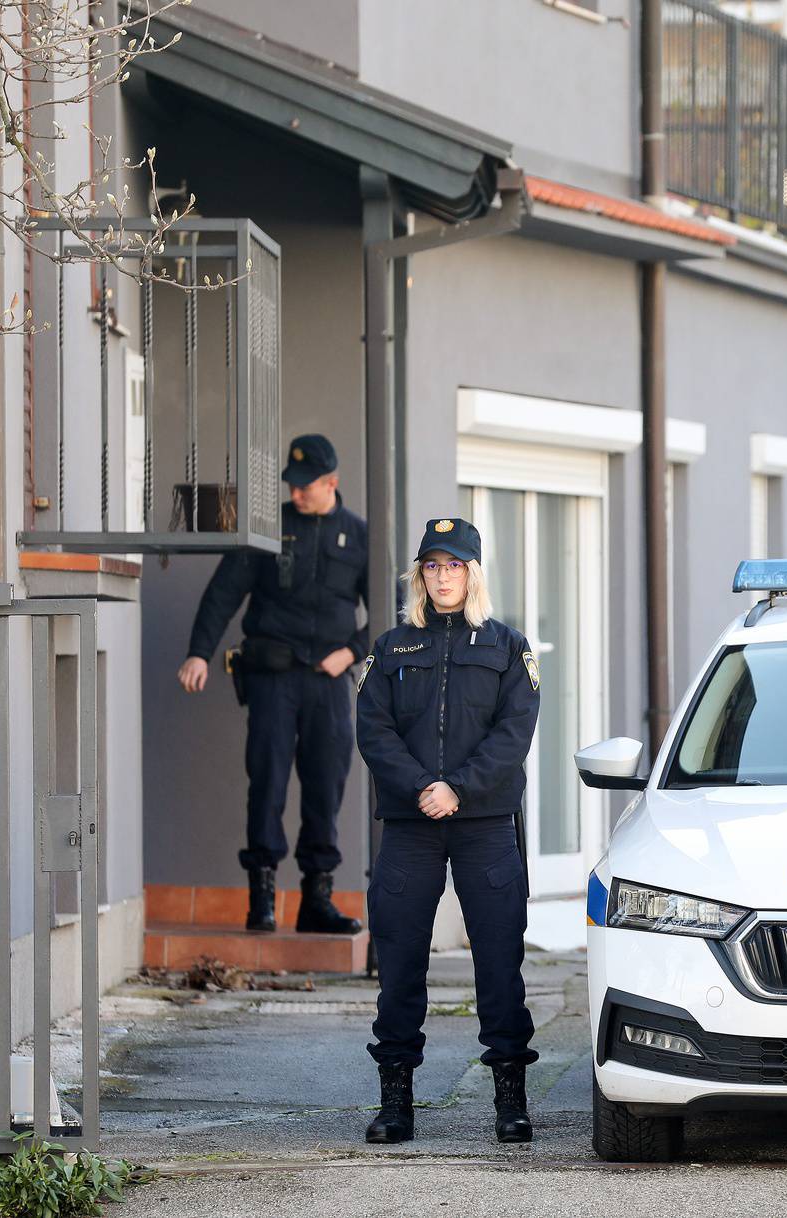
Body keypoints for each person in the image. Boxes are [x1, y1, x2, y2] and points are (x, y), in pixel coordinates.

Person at [355, 516, 542, 1145]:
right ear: (420, 575)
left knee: (498, 962)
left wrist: (457, 788)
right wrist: (420, 790)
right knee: (401, 962)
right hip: (411, 827)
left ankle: (510, 1101)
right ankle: (395, 1101)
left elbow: (514, 735)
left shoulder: (509, 648)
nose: (442, 577)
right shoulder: (391, 648)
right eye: (432, 566)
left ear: (474, 574)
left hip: (484, 826)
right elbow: (373, 730)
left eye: (454, 566)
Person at [178, 434, 367, 938]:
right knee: (268, 783)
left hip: (328, 684)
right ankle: (261, 898)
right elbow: (223, 593)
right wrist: (199, 651)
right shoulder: (269, 528)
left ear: (332, 482)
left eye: (307, 485)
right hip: (273, 679)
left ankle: (316, 900)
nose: (297, 492)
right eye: (293, 484)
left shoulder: (359, 535)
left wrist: (351, 651)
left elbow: (397, 611)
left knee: (326, 787)